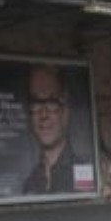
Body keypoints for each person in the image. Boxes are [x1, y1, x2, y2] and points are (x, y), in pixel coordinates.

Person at [23, 63, 82, 194]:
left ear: (66, 110)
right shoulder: (29, 183)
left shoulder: (87, 173)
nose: (43, 114)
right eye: (36, 103)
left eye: (51, 102)